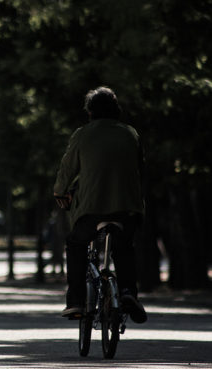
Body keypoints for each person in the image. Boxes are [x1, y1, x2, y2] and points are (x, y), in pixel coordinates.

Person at [53, 86, 147, 324]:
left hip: (91, 209)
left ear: (90, 112)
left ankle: (75, 300)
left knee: (76, 245)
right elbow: (140, 170)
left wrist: (60, 193)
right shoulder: (130, 133)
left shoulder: (82, 135)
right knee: (123, 248)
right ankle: (128, 293)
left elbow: (67, 170)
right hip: (127, 207)